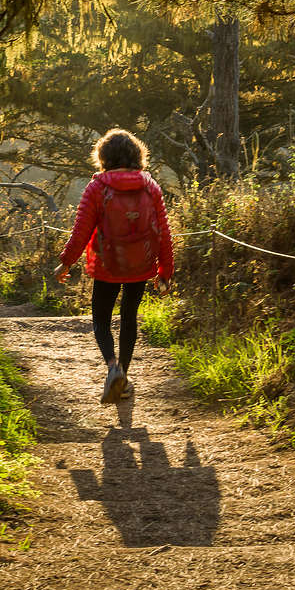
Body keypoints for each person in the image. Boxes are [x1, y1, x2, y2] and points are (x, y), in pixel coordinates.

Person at [54, 128, 175, 404]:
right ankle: (124, 377)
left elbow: (81, 231)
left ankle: (113, 368)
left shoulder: (97, 187)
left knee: (101, 320)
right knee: (129, 318)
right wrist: (165, 272)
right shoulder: (151, 186)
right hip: (141, 264)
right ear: (137, 155)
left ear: (103, 156)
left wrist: (65, 263)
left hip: (108, 264)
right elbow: (164, 232)